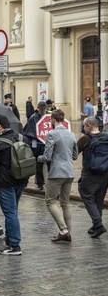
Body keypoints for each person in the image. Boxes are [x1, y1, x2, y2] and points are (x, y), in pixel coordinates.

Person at [0, 115, 29, 256]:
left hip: (4, 183)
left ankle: (15, 245)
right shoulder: (23, 138)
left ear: (0, 126)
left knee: (10, 213)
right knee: (13, 211)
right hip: (20, 180)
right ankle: (9, 241)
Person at [37, 110, 78, 242]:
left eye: (51, 121)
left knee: (50, 201)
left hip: (56, 172)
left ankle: (64, 230)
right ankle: (68, 232)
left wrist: (38, 158)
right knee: (65, 203)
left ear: (53, 120)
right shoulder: (71, 135)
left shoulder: (52, 134)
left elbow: (47, 156)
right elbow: (75, 155)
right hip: (70, 172)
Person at [77, 116, 108, 238]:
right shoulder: (106, 136)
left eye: (84, 126)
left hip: (90, 173)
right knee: (98, 199)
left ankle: (98, 224)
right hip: (105, 173)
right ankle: (95, 226)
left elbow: (74, 154)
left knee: (87, 196)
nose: (83, 128)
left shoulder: (85, 139)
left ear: (89, 126)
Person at [23, 101, 49, 190]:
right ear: (39, 109)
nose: (44, 111)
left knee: (49, 162)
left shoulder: (48, 117)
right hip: (37, 145)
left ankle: (49, 182)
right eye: (42, 110)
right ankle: (40, 183)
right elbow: (28, 131)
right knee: (39, 164)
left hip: (47, 144)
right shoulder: (33, 118)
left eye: (45, 110)